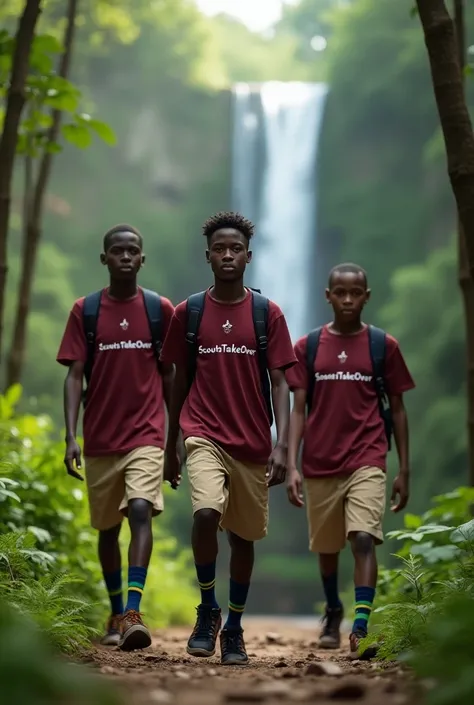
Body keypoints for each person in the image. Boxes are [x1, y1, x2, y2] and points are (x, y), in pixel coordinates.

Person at [160, 211, 296, 666]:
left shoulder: (266, 313)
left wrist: (283, 444)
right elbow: (178, 380)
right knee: (204, 514)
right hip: (202, 432)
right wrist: (171, 445)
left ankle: (233, 626)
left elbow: (280, 381)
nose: (227, 255)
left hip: (253, 440)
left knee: (243, 539)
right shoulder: (189, 313)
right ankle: (207, 609)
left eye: (235, 248)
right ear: (208, 256)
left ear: (249, 256)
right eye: (220, 248)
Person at [286, 262, 415, 660]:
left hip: (368, 456)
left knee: (362, 538)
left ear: (366, 296)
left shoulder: (383, 346)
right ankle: (332, 610)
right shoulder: (307, 348)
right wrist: (291, 463)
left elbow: (397, 409)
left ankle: (359, 627)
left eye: (354, 293)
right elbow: (298, 410)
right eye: (339, 293)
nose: (346, 299)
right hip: (320, 460)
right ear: (327, 296)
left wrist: (404, 470)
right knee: (327, 548)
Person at [56, 224, 175, 651]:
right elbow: (73, 377)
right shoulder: (85, 310)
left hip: (146, 433)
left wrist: (174, 435)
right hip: (101, 437)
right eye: (118, 251)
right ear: (104, 259)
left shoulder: (159, 310)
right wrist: (71, 437)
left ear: (143, 259)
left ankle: (132, 610)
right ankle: (113, 608)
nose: (126, 257)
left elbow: (169, 375)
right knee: (107, 529)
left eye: (133, 251)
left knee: (140, 510)